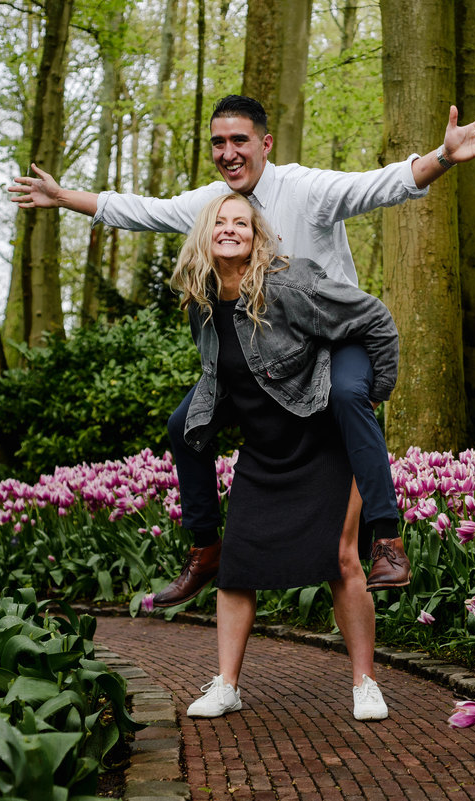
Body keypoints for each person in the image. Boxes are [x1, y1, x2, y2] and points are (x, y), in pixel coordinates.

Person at [8, 96, 475, 604]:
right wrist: (62, 196)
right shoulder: (214, 206)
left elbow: (378, 185)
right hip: (267, 352)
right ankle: (206, 548)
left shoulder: (304, 189)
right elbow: (144, 211)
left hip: (334, 339)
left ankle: (387, 540)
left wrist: (442, 157)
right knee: (183, 426)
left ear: (265, 144)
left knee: (348, 397)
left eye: (239, 140)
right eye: (218, 143)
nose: (228, 153)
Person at [173, 191, 397, 720]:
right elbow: (219, 376)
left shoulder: (289, 284)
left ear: (258, 237)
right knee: (236, 568)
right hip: (264, 448)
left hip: (324, 438)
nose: (230, 229)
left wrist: (374, 392)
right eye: (220, 222)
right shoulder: (201, 303)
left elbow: (374, 317)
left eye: (242, 223)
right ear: (205, 234)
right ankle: (227, 686)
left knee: (343, 560)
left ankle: (365, 683)